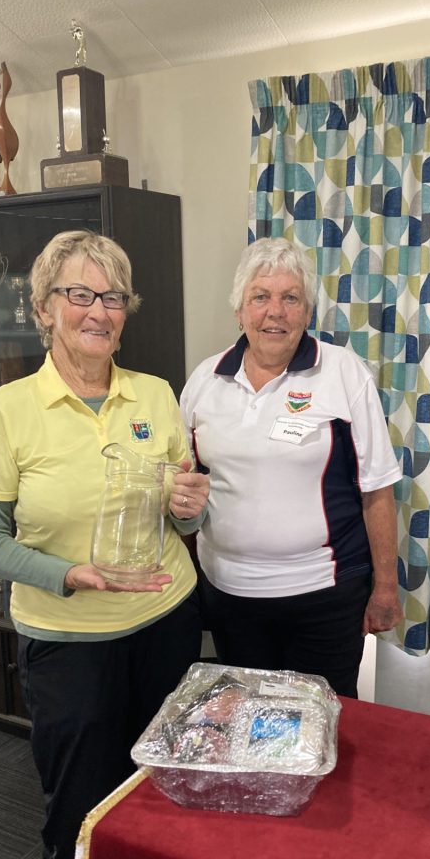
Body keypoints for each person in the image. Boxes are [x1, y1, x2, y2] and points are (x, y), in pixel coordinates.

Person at [0, 230, 208, 859]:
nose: (98, 311)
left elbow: (185, 519)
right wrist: (69, 574)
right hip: (69, 641)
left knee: (164, 792)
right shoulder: (7, 410)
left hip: (166, 625)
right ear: (44, 309)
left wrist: (190, 506)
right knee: (79, 805)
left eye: (112, 297)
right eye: (79, 294)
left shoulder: (155, 394)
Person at [180, 237, 402, 699]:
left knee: (319, 717)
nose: (275, 312)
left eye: (291, 298)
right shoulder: (205, 379)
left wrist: (385, 588)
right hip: (229, 595)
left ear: (308, 311)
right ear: (239, 311)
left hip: (324, 596)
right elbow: (184, 484)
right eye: (260, 297)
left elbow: (377, 490)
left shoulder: (342, 373)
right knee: (244, 716)